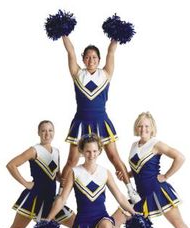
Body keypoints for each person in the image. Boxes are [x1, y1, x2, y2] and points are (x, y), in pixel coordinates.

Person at [114, 111, 190, 228]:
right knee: (114, 222)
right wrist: (127, 175)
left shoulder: (156, 143)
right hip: (138, 195)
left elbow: (180, 157)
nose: (143, 128)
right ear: (136, 127)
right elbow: (138, 169)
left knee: (179, 225)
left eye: (146, 126)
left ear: (152, 128)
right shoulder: (134, 146)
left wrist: (166, 176)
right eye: (140, 125)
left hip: (158, 192)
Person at [59, 36, 140, 205]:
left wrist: (116, 36)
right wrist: (63, 32)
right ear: (83, 59)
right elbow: (70, 51)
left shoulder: (105, 74)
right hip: (80, 122)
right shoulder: (77, 74)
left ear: (99, 59)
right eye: (87, 57)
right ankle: (60, 195)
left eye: (94, 57)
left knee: (114, 156)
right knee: (72, 160)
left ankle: (130, 190)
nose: (91, 60)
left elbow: (112, 51)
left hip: (101, 122)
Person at [47, 133, 134, 228]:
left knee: (108, 226)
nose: (91, 154)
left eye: (94, 151)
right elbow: (62, 198)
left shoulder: (105, 172)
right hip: (83, 223)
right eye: (87, 151)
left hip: (101, 217)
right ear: (81, 152)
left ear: (100, 151)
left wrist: (134, 212)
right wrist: (48, 218)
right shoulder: (74, 172)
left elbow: (119, 196)